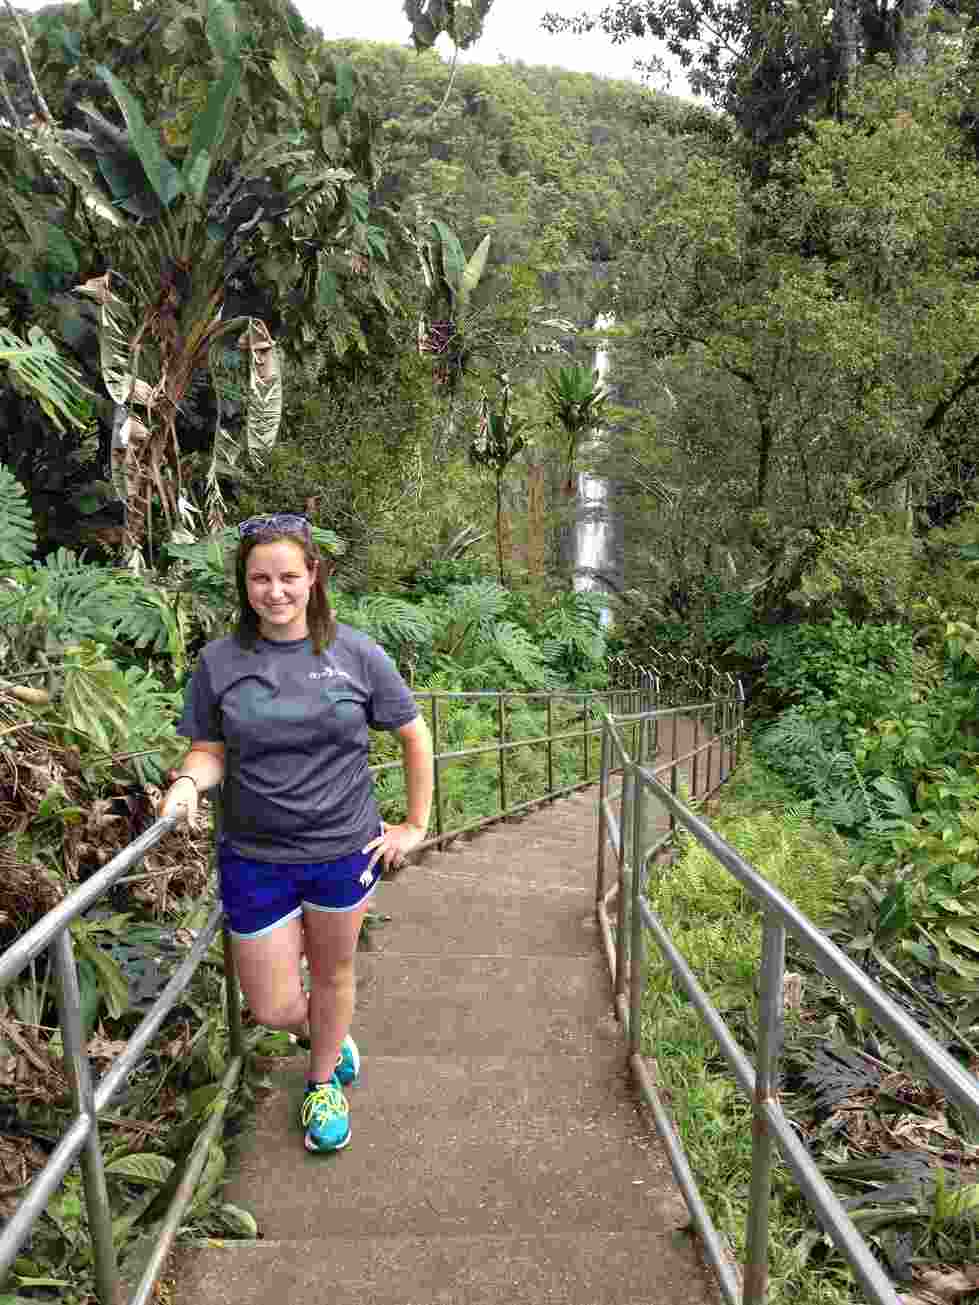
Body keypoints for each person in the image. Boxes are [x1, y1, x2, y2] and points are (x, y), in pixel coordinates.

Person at [159, 513, 433, 1154]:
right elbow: (209, 749)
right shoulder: (221, 661)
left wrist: (415, 825)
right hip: (255, 855)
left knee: (335, 972)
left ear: (313, 576)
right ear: (244, 583)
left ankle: (320, 1083)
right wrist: (187, 784)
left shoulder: (356, 653)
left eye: (288, 575)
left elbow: (413, 734)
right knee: (273, 1007)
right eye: (260, 578)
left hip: (342, 849)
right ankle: (328, 1039)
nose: (274, 591)